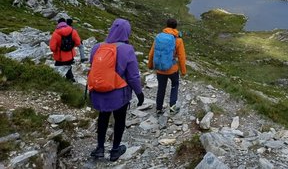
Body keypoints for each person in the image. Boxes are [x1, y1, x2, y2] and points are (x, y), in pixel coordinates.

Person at [89, 18, 145, 162]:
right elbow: (133, 77)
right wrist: (139, 93)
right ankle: (115, 150)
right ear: (127, 32)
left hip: (99, 92)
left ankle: (100, 148)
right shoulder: (127, 49)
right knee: (119, 120)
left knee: (103, 118)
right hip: (119, 93)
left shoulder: (97, 47)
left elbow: (93, 66)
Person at [148, 18, 186, 115]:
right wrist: (183, 71)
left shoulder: (159, 37)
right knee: (175, 84)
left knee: (161, 88)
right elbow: (181, 57)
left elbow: (152, 53)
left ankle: (159, 108)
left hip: (160, 69)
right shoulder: (178, 40)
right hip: (172, 69)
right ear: (175, 27)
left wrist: (150, 65)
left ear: (166, 26)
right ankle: (172, 107)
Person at [49, 17, 81, 82]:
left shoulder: (55, 33)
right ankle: (71, 80)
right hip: (70, 55)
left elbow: (52, 48)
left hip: (59, 57)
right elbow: (78, 43)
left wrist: (56, 50)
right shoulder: (73, 31)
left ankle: (59, 82)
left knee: (58, 71)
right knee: (68, 67)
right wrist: (71, 47)